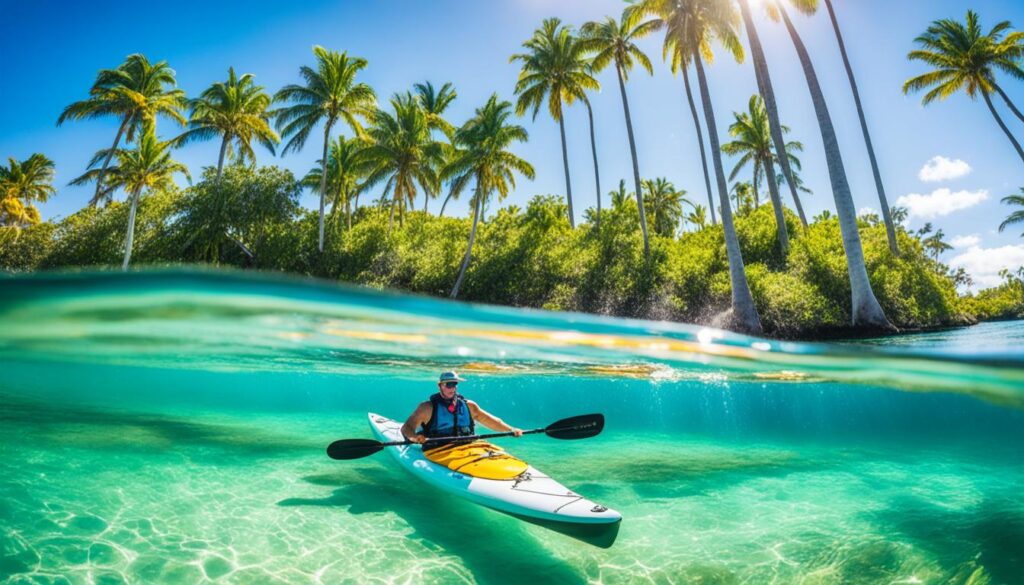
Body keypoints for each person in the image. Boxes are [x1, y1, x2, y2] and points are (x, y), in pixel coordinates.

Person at [401, 371, 522, 449]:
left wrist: (510, 429)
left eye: (454, 384)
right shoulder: (427, 407)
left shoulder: (469, 405)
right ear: (440, 386)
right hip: (437, 450)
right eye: (448, 384)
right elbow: (407, 427)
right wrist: (415, 438)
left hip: (467, 448)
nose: (452, 388)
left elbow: (492, 421)